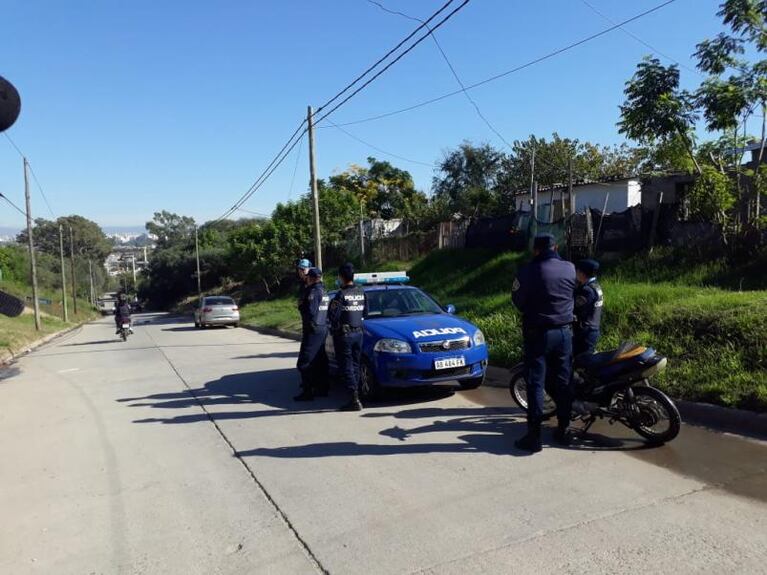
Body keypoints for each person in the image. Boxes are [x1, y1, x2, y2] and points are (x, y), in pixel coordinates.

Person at [512, 233, 577, 452]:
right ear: (556, 247)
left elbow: (518, 301)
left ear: (535, 250)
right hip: (565, 333)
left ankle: (534, 436)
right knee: (563, 381)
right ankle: (564, 429)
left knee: (535, 383)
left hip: (538, 334)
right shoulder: (570, 268)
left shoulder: (528, 271)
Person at [329, 263, 366, 412]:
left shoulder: (341, 294)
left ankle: (353, 399)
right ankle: (357, 396)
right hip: (359, 333)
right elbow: (365, 313)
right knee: (356, 365)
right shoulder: (361, 292)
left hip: (345, 335)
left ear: (341, 277)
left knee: (347, 367)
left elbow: (333, 316)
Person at [295, 267, 330, 401]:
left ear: (311, 278)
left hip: (313, 329)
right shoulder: (324, 290)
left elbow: (310, 311)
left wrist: (301, 305)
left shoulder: (314, 292)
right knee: (320, 360)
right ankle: (322, 388)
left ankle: (307, 391)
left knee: (304, 362)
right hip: (322, 328)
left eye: (308, 277)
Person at [573, 259, 603, 359]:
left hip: (585, 332)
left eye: (577, 271)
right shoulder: (596, 286)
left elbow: (576, 308)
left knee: (581, 361)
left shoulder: (587, 291)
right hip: (592, 328)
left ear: (581, 273)